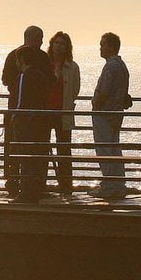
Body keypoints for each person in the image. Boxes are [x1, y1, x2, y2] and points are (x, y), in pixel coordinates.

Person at [1, 25, 55, 201]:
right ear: (31, 38)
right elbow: (52, 81)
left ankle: (19, 185)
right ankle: (33, 185)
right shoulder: (41, 59)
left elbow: (5, 80)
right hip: (37, 112)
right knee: (36, 151)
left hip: (22, 113)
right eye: (39, 38)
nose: (41, 41)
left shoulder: (15, 58)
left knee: (20, 150)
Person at [90, 32, 132, 199]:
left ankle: (109, 184)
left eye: (103, 45)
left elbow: (104, 91)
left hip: (105, 114)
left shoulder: (110, 66)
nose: (100, 48)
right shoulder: (121, 65)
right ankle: (118, 182)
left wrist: (96, 105)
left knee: (104, 148)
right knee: (114, 147)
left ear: (111, 47)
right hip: (115, 113)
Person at [47, 31, 81, 194]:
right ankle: (42, 182)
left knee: (64, 149)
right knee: (43, 148)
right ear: (51, 45)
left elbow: (75, 89)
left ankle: (66, 184)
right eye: (57, 43)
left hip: (64, 111)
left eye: (63, 43)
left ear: (67, 47)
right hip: (46, 111)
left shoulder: (72, 67)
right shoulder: (45, 64)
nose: (59, 46)